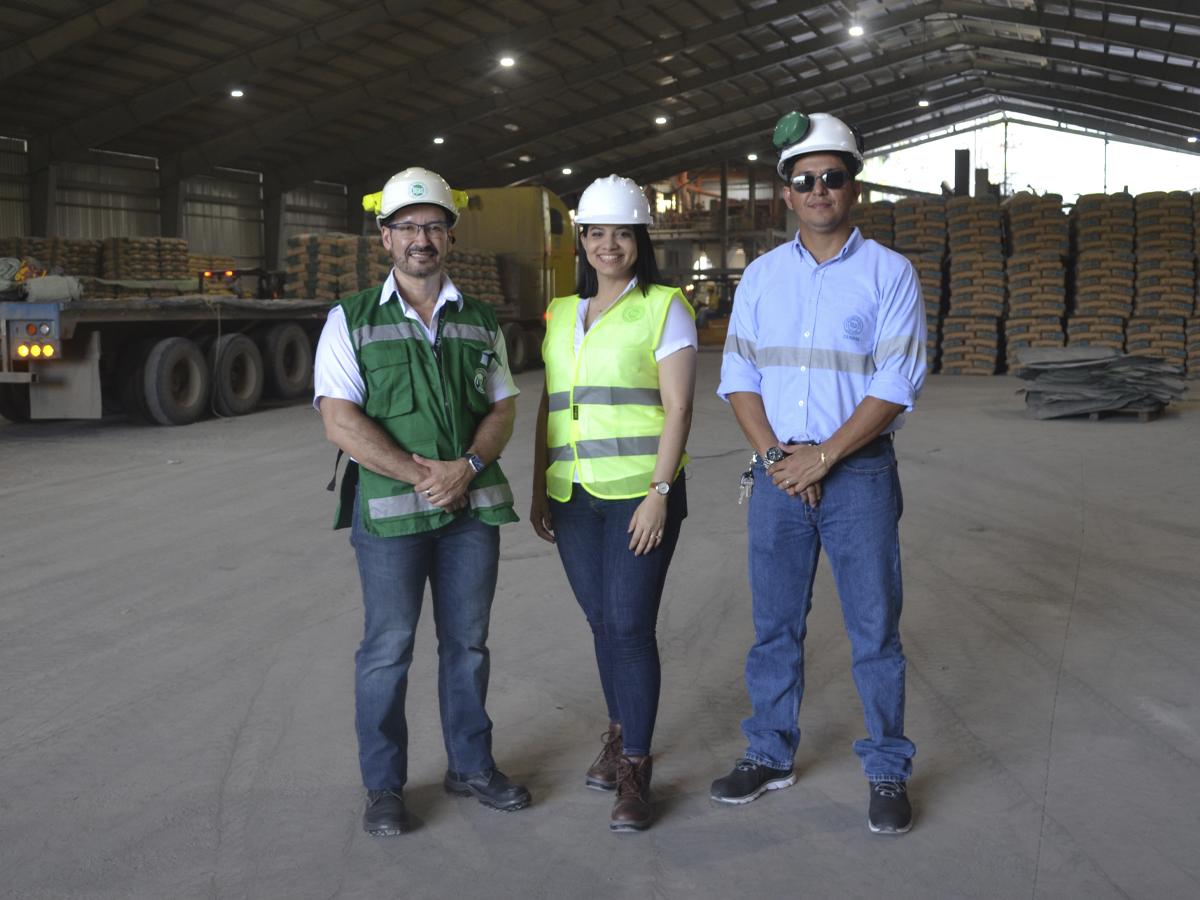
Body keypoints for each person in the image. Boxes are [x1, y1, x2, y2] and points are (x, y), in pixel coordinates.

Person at [711, 112, 926, 834]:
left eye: (832, 177)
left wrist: (824, 456)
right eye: (805, 180)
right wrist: (778, 456)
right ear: (787, 193)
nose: (819, 190)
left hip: (856, 475)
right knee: (774, 627)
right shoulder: (764, 277)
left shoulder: (889, 273)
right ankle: (769, 753)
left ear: (852, 186)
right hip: (778, 475)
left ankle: (888, 767)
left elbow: (898, 380)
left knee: (875, 631)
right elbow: (738, 372)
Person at [315, 167, 530, 837]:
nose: (420, 238)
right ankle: (384, 787)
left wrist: (466, 468)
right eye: (407, 226)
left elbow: (503, 408)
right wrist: (422, 477)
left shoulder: (478, 318)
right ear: (385, 238)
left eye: (433, 225)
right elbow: (338, 420)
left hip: (469, 515)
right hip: (391, 520)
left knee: (467, 646)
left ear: (450, 236)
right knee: (388, 649)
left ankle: (470, 766)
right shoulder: (350, 317)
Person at [530, 174, 697, 833]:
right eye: (596, 233)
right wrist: (540, 480)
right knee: (603, 624)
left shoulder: (664, 306)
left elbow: (680, 407)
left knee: (629, 626)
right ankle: (619, 730)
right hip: (573, 497)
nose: (607, 244)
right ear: (582, 241)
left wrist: (659, 494)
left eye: (620, 233)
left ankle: (634, 766)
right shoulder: (561, 310)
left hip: (638, 495)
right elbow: (551, 399)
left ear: (639, 240)